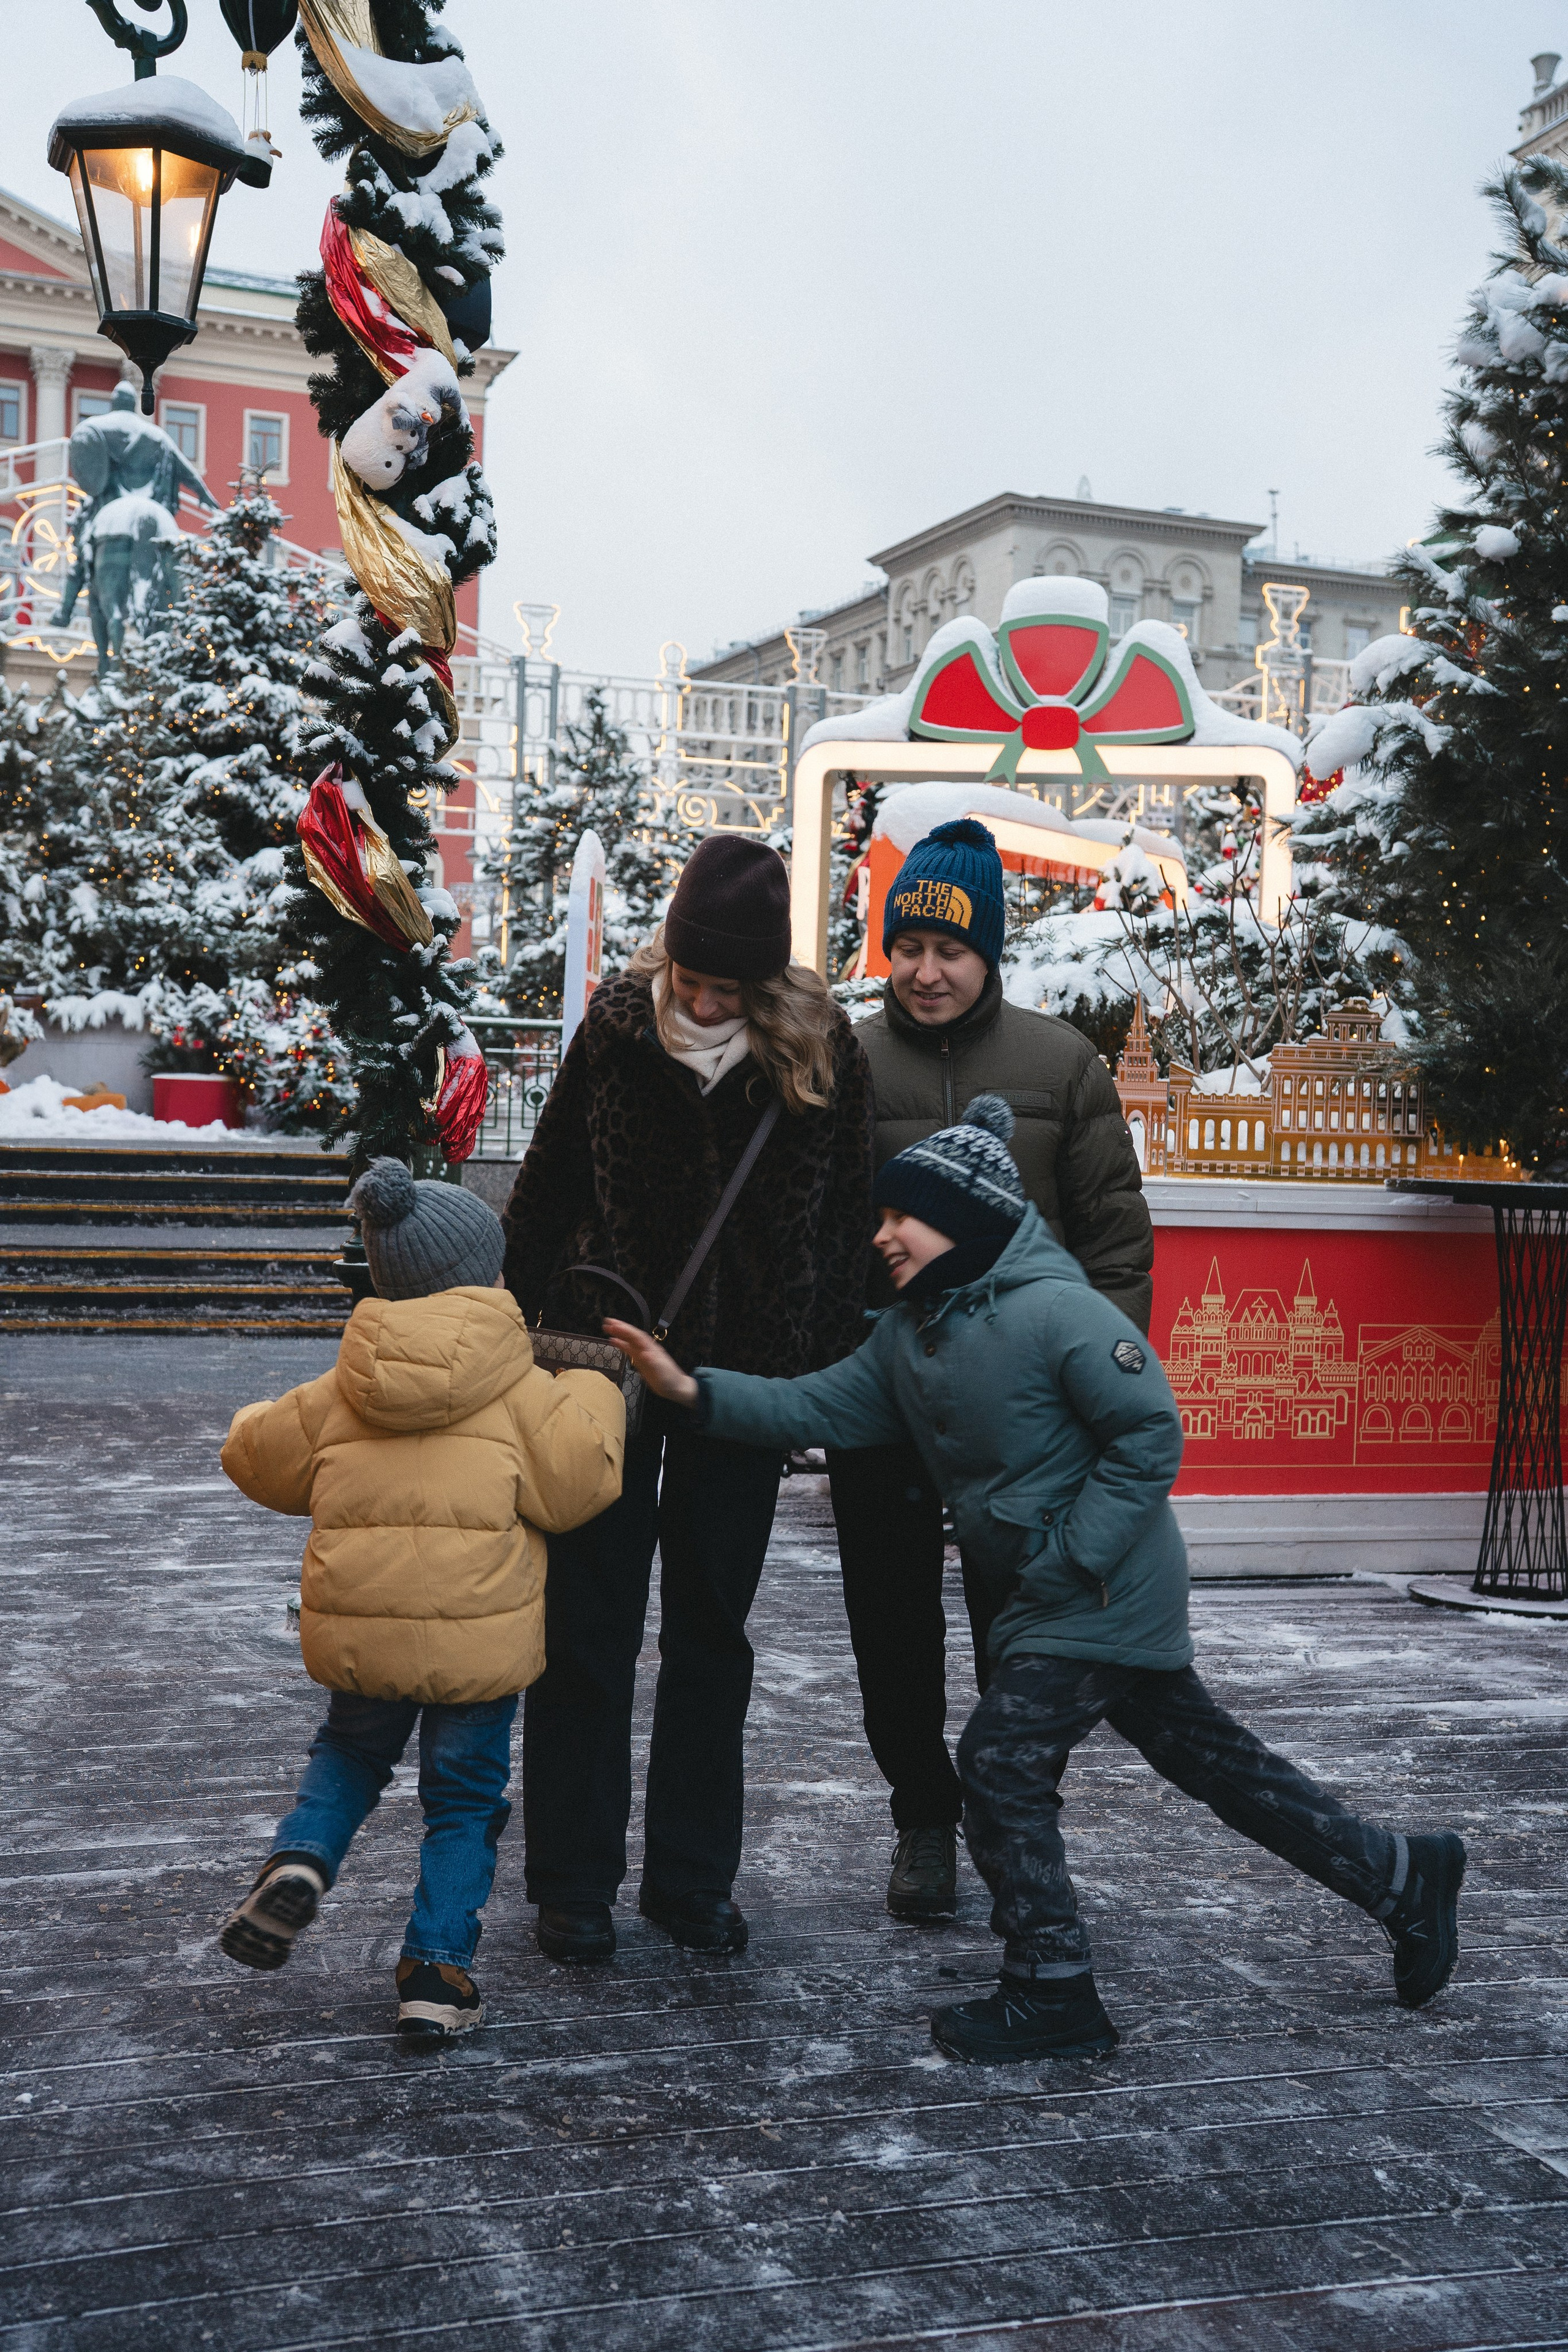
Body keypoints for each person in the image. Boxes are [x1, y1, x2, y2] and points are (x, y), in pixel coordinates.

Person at [606, 1096, 1465, 2065]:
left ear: (963, 1219)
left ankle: (1053, 1984)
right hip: (1054, 1593)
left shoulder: (1059, 1311)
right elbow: (817, 1406)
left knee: (999, 1762)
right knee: (1215, 1763)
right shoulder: (911, 1333)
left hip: (1101, 1589)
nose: (881, 1234)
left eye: (902, 1215)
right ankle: (1400, 1874)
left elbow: (1149, 1434)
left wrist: (1070, 1556)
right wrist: (692, 1390)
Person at [503, 835, 874, 1965]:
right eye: (693, 977)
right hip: (600, 1367)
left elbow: (844, 1227)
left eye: (729, 987)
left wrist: (813, 1379)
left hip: (740, 1385)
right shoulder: (616, 1032)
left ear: (768, 979)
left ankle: (691, 1880)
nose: (705, 1003)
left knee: (712, 1631)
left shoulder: (822, 1053)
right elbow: (547, 1186)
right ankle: (574, 1882)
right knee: (587, 1625)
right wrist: (507, 1331)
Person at [831, 815, 1155, 1926]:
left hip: (1022, 1413)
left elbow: (1113, 1244)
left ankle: (1014, 1816)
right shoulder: (845, 1062)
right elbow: (814, 1230)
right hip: (889, 1401)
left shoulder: (1061, 1066)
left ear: (990, 952)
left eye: (951, 950)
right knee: (890, 1623)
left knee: (1021, 1627)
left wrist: (1095, 1389)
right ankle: (924, 1819)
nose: (926, 972)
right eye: (909, 948)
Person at [216, 1161, 625, 2039]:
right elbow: (577, 1487)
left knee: (350, 1754)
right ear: (489, 1272)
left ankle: (301, 1860)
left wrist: (255, 1416)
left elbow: (255, 1458)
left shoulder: (346, 1384)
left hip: (363, 1640)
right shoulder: (521, 1387)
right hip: (479, 1652)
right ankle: (436, 1973)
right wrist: (595, 1386)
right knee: (464, 1803)